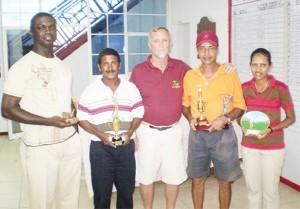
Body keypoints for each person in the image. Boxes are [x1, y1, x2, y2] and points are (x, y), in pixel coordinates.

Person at [1, 12, 82, 209]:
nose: (48, 30)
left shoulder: (63, 66)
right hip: (40, 147)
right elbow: (7, 109)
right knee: (41, 201)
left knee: (69, 198)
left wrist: (74, 119)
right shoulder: (22, 67)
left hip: (69, 143)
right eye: (41, 27)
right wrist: (49, 121)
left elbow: (66, 101)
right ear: (32, 32)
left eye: (51, 26)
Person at [182, 30, 246, 209]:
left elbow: (240, 105)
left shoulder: (229, 74)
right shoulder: (190, 76)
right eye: (202, 48)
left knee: (225, 182)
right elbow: (185, 104)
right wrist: (190, 118)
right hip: (197, 136)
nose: (206, 52)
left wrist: (225, 118)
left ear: (217, 50)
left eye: (211, 48)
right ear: (197, 51)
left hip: (224, 136)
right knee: (197, 180)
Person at [130, 26, 190, 209]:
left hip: (173, 131)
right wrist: (133, 134)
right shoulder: (139, 70)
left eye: (164, 40)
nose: (161, 44)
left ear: (170, 43)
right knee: (145, 176)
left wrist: (225, 67)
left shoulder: (181, 68)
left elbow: (203, 77)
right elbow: (129, 104)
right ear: (150, 45)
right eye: (156, 40)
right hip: (146, 131)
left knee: (173, 175)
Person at [77, 48, 144, 209]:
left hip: (126, 147)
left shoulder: (130, 88)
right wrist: (100, 135)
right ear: (99, 67)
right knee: (101, 194)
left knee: (126, 191)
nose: (110, 67)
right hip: (100, 149)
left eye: (113, 63)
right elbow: (81, 118)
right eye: (105, 64)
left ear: (119, 65)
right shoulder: (90, 91)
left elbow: (139, 113)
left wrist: (130, 132)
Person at [240, 48, 295, 209]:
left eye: (263, 65)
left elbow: (291, 117)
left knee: (270, 193)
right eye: (255, 65)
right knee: (253, 191)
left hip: (273, 147)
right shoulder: (244, 88)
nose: (258, 69)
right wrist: (242, 126)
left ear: (269, 66)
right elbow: (238, 114)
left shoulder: (280, 88)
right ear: (250, 65)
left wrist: (270, 129)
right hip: (249, 146)